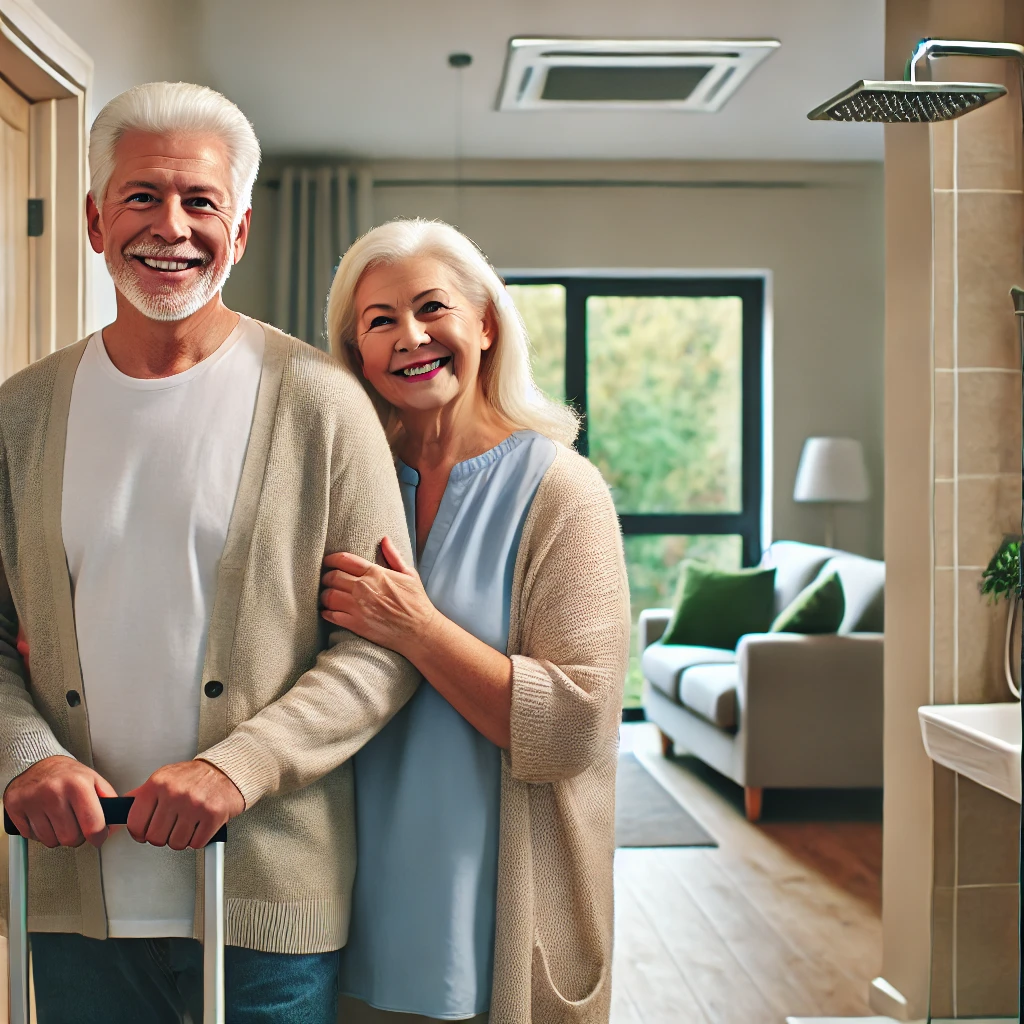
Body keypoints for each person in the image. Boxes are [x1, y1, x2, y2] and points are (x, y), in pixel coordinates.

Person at [0, 82, 418, 1024]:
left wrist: (241, 767)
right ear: (96, 219)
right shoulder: (19, 415)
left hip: (266, 898)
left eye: (201, 202)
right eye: (143, 196)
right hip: (73, 894)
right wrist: (24, 754)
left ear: (241, 230)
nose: (172, 226)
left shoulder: (323, 405)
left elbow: (384, 649)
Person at [319, 219, 631, 1024]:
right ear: (355, 351)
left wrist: (418, 628)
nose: (411, 337)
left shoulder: (564, 492)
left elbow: (572, 726)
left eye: (433, 309)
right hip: (341, 888)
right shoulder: (342, 483)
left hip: (489, 899)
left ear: (485, 323)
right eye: (380, 320)